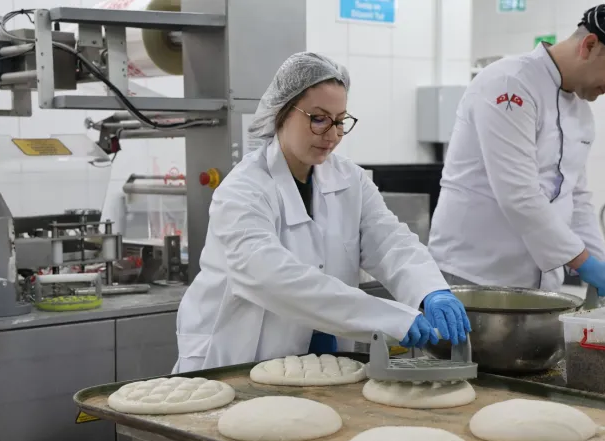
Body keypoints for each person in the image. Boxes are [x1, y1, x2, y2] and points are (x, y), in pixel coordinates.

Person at [173, 52, 471, 372]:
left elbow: (389, 241)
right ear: (282, 112)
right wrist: (389, 318)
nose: (332, 135)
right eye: (318, 119)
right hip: (237, 359)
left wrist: (430, 289)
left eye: (340, 121)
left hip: (322, 360)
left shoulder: (350, 179)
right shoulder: (244, 190)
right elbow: (274, 279)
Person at [428, 4, 605, 296]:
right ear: (589, 45)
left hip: (538, 287)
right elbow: (518, 194)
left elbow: (577, 199)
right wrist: (584, 263)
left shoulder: (581, 114)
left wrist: (603, 266)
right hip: (471, 275)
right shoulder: (510, 83)